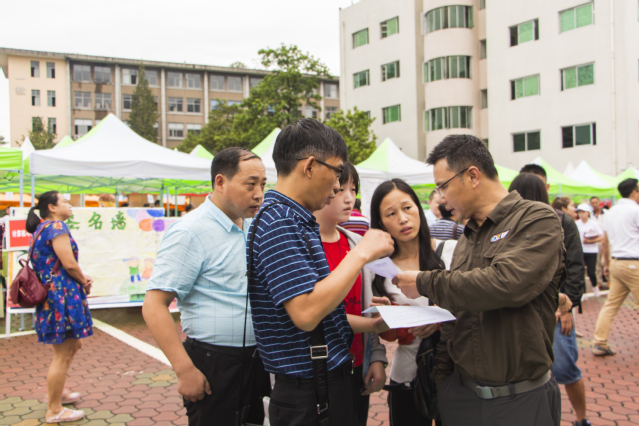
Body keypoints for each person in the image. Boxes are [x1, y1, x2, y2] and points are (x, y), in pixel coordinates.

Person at [392, 135, 566, 426]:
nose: (441, 198)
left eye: (443, 186)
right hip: (462, 397)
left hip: (521, 400)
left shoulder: (536, 219)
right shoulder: (468, 236)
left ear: (472, 175)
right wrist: (443, 384)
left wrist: (424, 282)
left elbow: (506, 284)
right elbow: (455, 315)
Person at [247, 118, 394, 426]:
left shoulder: (295, 219)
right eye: (338, 172)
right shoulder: (281, 221)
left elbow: (323, 308)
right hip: (308, 391)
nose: (338, 186)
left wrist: (371, 323)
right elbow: (306, 312)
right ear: (310, 166)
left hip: (319, 384)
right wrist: (361, 253)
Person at [143, 147, 271, 426]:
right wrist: (184, 370)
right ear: (220, 182)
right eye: (250, 184)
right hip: (216, 364)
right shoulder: (190, 231)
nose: (259, 194)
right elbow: (154, 305)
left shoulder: (253, 227)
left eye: (263, 185)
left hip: (258, 360)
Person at [509, 173, 591, 426]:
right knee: (533, 372)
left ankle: (581, 418)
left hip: (556, 309)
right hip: (527, 310)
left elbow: (574, 267)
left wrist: (567, 307)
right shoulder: (507, 224)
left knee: (564, 367)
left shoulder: (561, 220)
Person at [314, 162, 388, 426]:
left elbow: (365, 304)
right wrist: (372, 324)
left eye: (353, 189)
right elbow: (316, 313)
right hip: (320, 369)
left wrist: (376, 357)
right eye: (339, 189)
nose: (349, 198)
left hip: (357, 364)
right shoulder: (305, 246)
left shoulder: (356, 243)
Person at [369, 179, 446, 426]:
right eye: (391, 214)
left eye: (407, 208)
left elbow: (474, 306)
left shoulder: (449, 252)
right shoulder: (380, 271)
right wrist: (386, 317)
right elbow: (389, 336)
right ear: (381, 222)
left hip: (451, 372)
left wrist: (438, 319)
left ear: (418, 208)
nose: (403, 219)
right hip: (407, 376)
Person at [26, 191, 94, 423]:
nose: (69, 204)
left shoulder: (41, 229)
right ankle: (54, 409)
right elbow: (69, 263)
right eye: (64, 201)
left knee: (74, 345)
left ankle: (58, 391)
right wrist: (84, 281)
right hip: (61, 296)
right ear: (52, 208)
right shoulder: (56, 227)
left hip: (54, 296)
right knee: (63, 353)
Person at [593, 178, 639, 356]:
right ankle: (600, 343)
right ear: (634, 192)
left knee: (611, 305)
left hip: (616, 262)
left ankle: (599, 342)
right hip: (633, 263)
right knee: (611, 305)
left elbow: (605, 242)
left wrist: (607, 264)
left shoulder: (611, 212)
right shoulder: (635, 210)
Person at [575, 203, 604, 295]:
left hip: (592, 251)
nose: (581, 214)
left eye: (583, 212)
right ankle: (583, 292)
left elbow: (600, 237)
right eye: (579, 212)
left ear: (588, 213)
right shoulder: (576, 223)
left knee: (591, 272)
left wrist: (590, 240)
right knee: (580, 272)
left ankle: (595, 286)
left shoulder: (593, 224)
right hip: (580, 251)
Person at [590, 196, 608, 288]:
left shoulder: (607, 213)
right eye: (593, 203)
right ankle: (599, 282)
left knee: (605, 261)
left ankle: (609, 280)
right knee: (597, 263)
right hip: (595, 241)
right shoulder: (590, 215)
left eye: (596, 202)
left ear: (599, 202)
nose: (595, 204)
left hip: (606, 241)